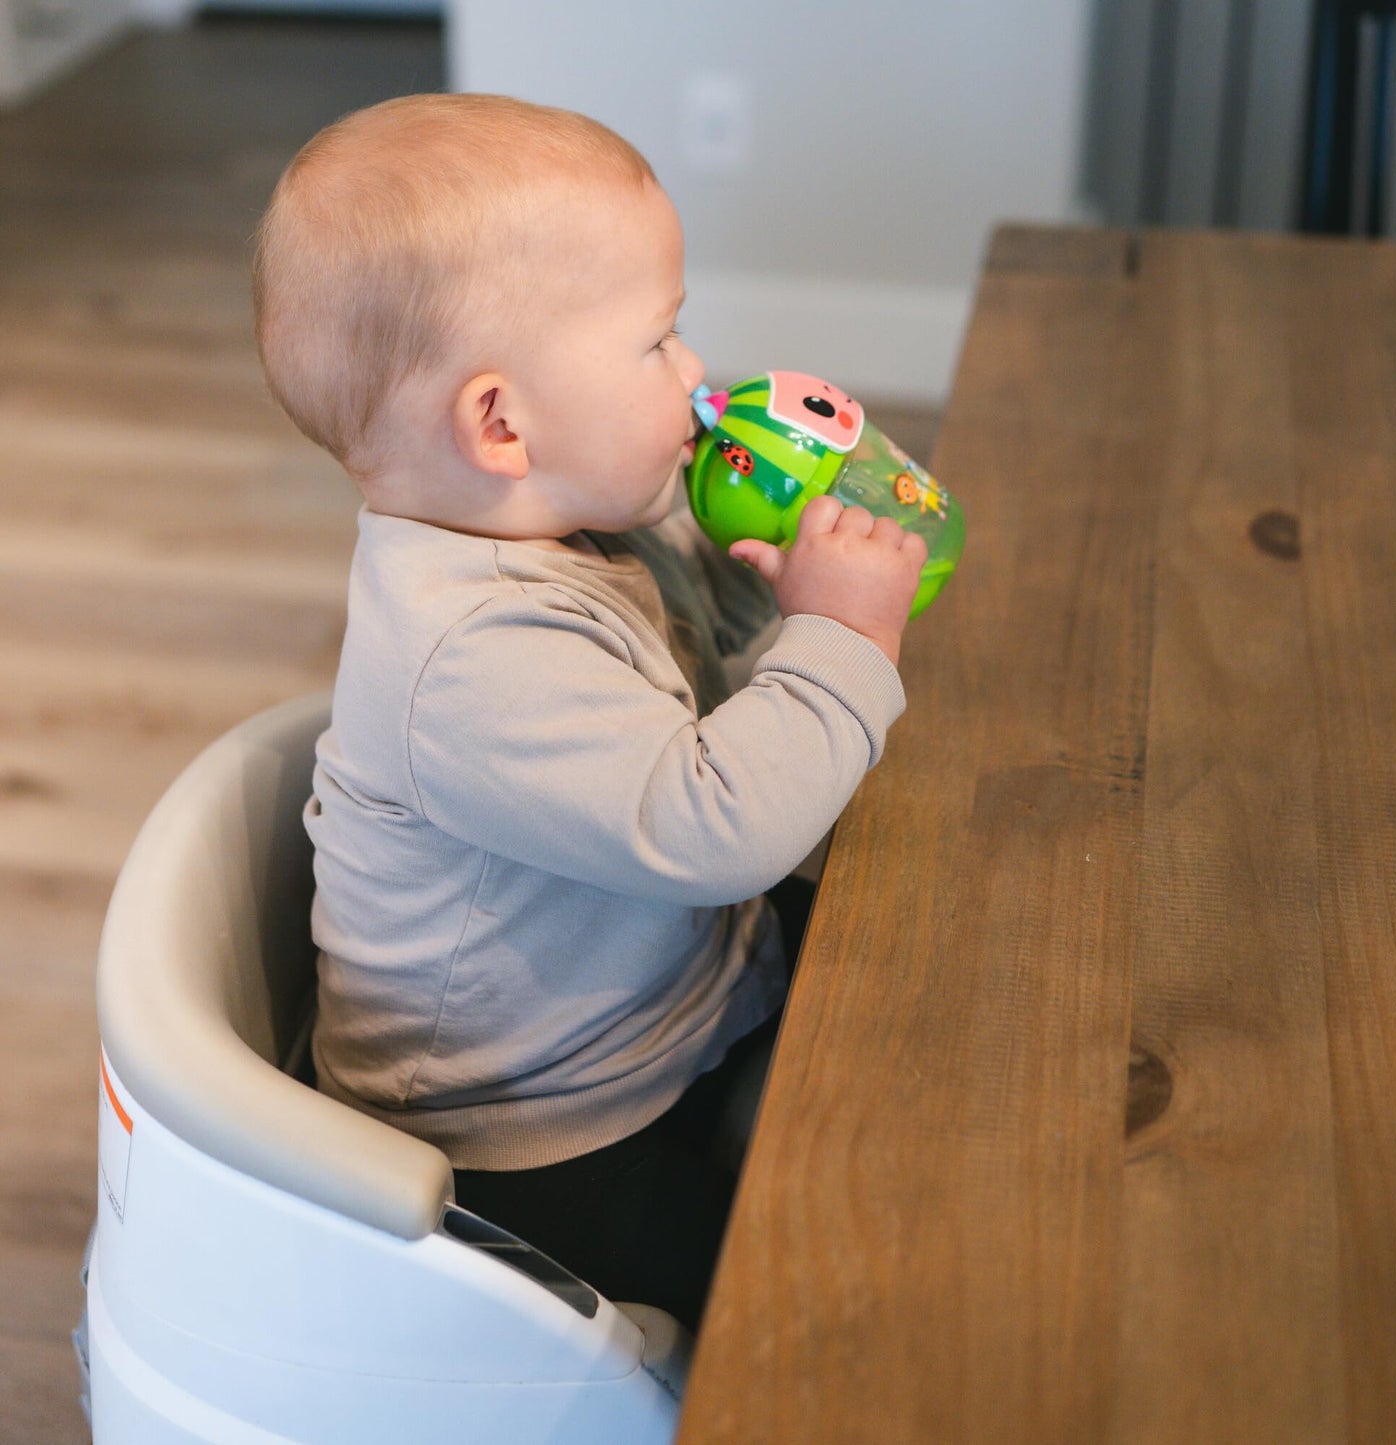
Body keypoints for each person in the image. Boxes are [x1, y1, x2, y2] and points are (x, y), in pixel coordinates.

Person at [252, 92, 925, 1330]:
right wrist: (844, 632)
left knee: (926, 946)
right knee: (817, 1291)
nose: (693, 376)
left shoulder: (566, 521)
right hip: (528, 1138)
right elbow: (711, 825)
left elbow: (696, 661)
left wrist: (762, 565)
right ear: (503, 422)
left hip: (653, 995)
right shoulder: (468, 652)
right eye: (656, 345)